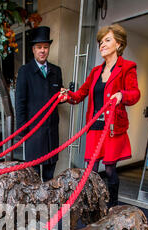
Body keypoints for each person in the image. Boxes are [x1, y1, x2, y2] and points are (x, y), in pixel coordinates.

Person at [59, 24, 140, 207]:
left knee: (110, 170)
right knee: (90, 170)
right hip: (95, 127)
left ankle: (112, 205)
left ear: (119, 44)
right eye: (101, 42)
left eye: (107, 40)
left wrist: (122, 95)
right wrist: (67, 96)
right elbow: (80, 94)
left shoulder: (127, 67)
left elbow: (135, 94)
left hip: (112, 128)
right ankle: (91, 206)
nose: (102, 44)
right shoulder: (96, 71)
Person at [15, 26, 63, 182]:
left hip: (51, 132)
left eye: (45, 47)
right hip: (33, 132)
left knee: (50, 176)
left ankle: (49, 204)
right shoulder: (25, 71)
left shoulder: (56, 71)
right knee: (33, 176)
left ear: (49, 49)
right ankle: (36, 206)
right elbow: (20, 103)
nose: (42, 50)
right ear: (33, 50)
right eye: (39, 47)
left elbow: (57, 101)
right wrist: (23, 130)